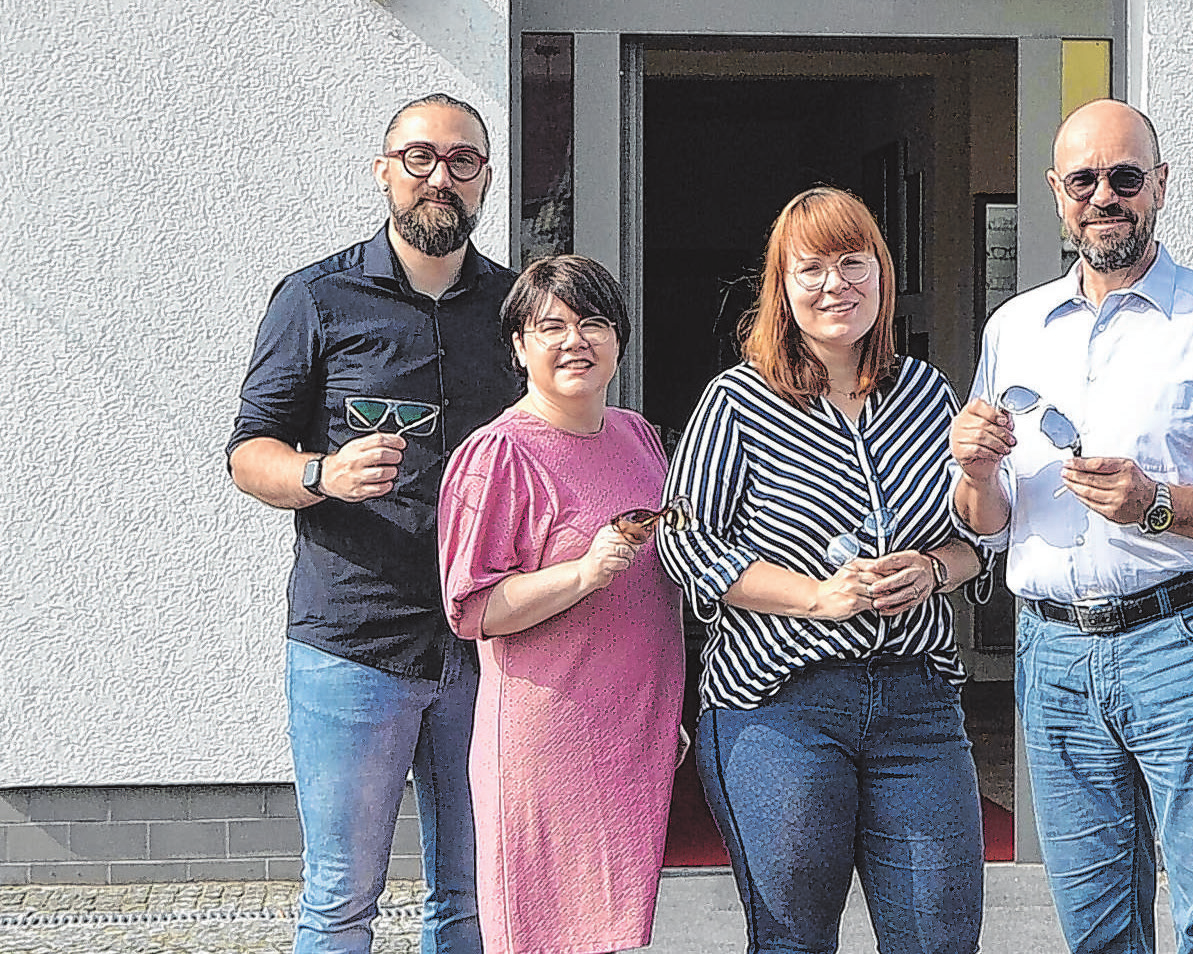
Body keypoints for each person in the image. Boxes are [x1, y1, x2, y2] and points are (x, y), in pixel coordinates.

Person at [949, 99, 1193, 954]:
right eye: (1084, 180)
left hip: (1191, 643)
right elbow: (990, 527)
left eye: (1124, 177)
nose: (1104, 196)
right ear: (1056, 192)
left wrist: (1159, 503)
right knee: (1095, 933)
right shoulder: (1015, 329)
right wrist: (972, 471)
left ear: (1159, 184)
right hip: (1053, 658)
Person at [655, 186, 986, 954]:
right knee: (793, 939)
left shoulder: (927, 394)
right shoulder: (737, 402)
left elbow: (978, 538)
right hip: (781, 710)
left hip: (916, 704)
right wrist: (814, 597)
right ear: (782, 287)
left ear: (882, 274)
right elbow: (684, 542)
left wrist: (933, 572)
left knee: (941, 937)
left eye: (851, 262)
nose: (834, 284)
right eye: (811, 268)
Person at [227, 93, 515, 953]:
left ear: (486, 180)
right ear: (383, 172)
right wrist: (324, 473)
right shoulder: (317, 297)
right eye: (420, 157)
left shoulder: (516, 309)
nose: (441, 177)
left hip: (487, 641)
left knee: (473, 897)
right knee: (341, 899)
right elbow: (249, 455)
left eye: (462, 161)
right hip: (352, 643)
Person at [436, 255, 685, 954]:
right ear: (519, 346)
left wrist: (671, 710)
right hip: (547, 745)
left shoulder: (637, 437)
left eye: (594, 323)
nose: (575, 341)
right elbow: (473, 609)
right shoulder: (498, 454)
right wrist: (580, 574)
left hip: (634, 733)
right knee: (544, 935)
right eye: (551, 327)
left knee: (614, 933)